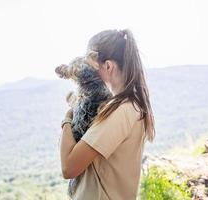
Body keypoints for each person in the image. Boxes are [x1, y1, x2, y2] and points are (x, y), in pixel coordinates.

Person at [59, 29, 156, 200]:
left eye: (89, 64)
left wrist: (68, 118)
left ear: (108, 66)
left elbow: (68, 167)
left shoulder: (120, 111)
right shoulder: (130, 105)